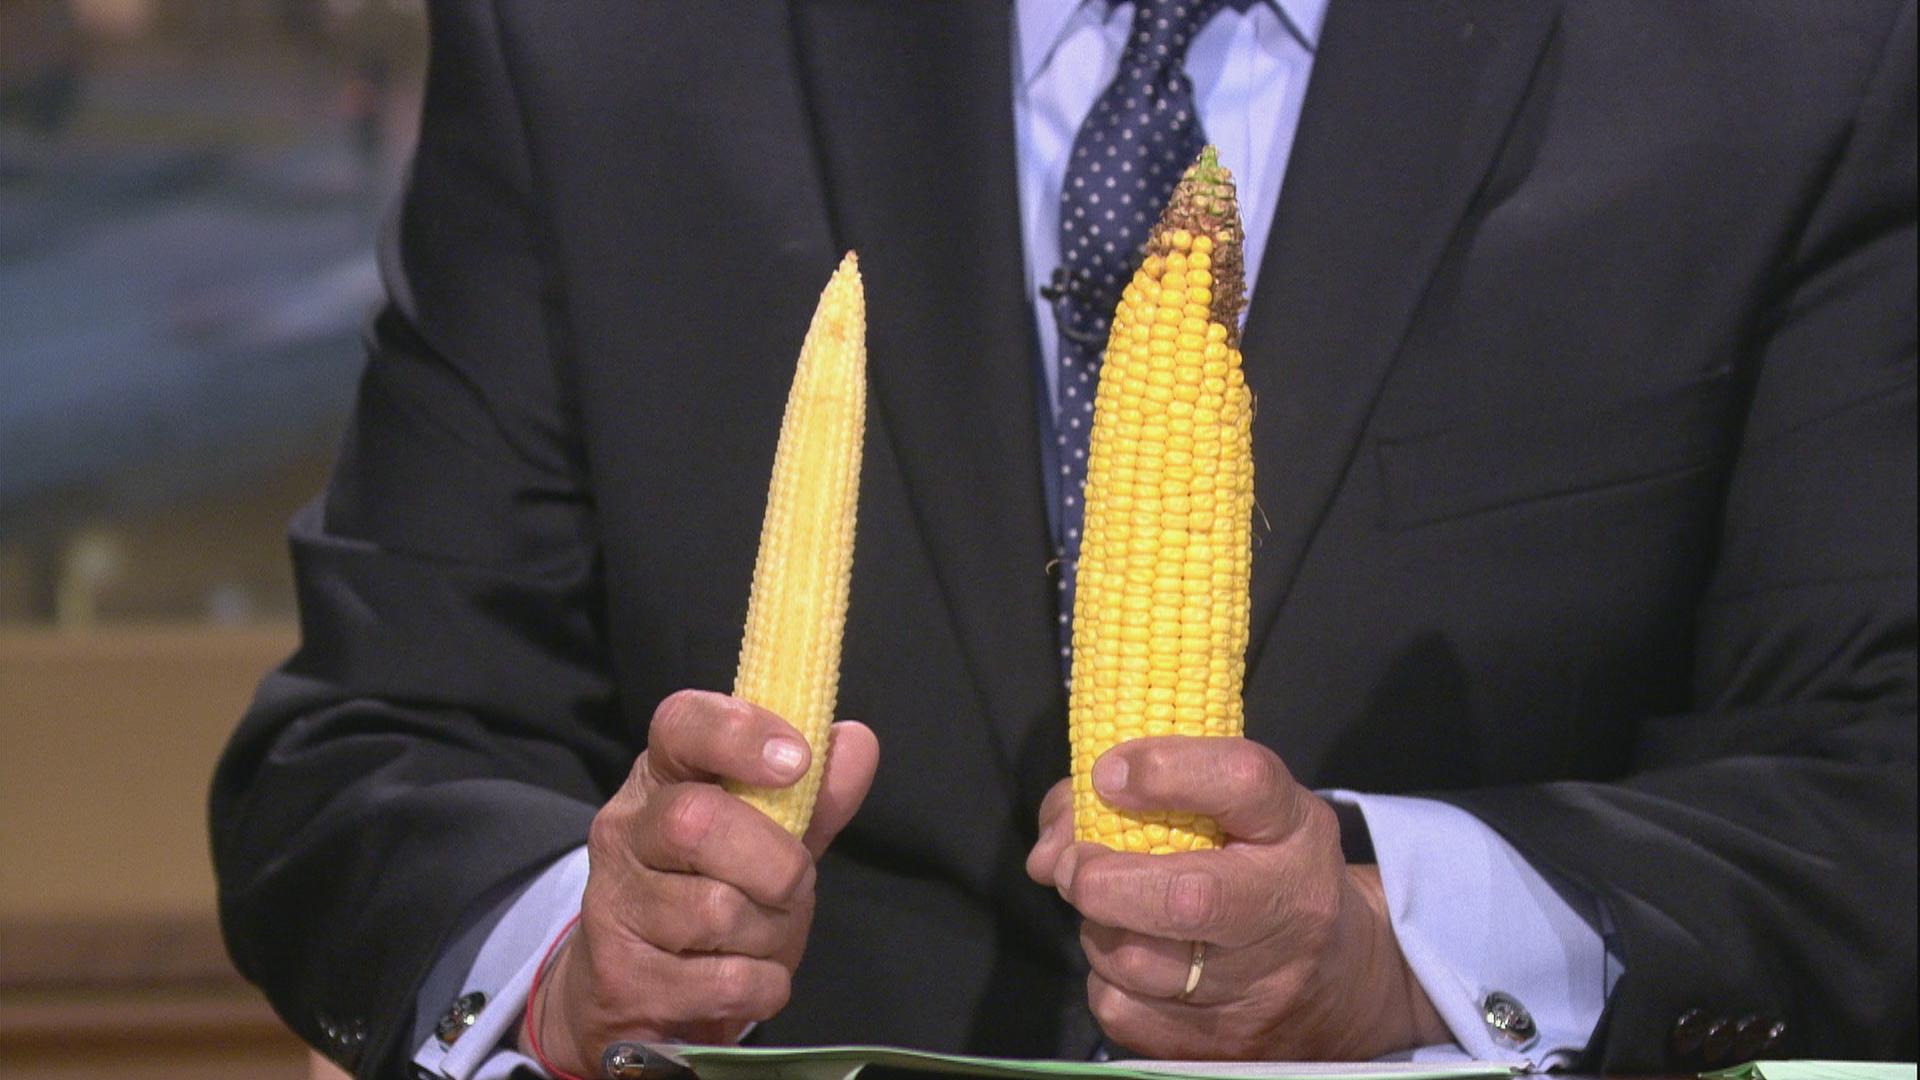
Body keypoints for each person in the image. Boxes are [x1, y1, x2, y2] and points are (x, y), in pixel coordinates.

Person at [209, 2, 1918, 1078]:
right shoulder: (602, 45)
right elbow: (365, 751)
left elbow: (1875, 780)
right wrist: (577, 963)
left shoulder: (1805, 55)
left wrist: (1408, 951)